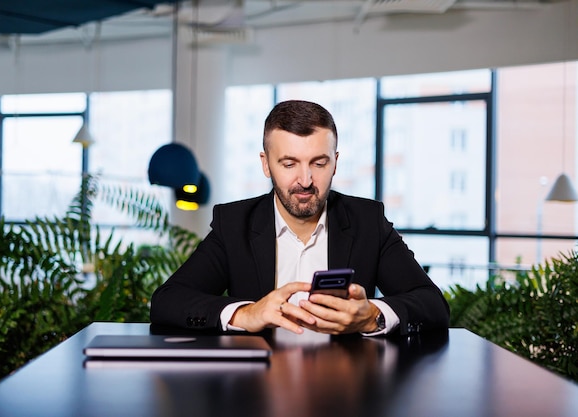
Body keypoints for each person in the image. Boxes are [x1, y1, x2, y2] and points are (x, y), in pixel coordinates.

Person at [150, 100, 449, 336]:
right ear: (266, 165)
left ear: (335, 163)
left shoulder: (368, 221)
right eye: (289, 163)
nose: (304, 180)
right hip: (258, 392)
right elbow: (167, 301)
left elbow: (432, 304)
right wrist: (246, 314)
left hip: (348, 391)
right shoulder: (234, 224)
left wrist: (372, 316)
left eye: (319, 163)